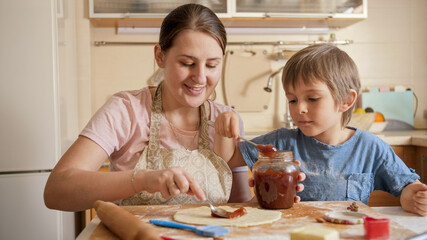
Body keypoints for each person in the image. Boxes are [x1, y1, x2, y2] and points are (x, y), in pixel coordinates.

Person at [44, 3, 252, 212]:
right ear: (160, 56)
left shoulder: (225, 120)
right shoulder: (126, 110)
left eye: (211, 65)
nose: (200, 77)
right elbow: (56, 191)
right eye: (187, 63)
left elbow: (240, 206)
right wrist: (141, 179)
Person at [214, 44, 427, 216]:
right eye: (292, 100)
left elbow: (407, 186)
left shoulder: (370, 147)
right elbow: (227, 159)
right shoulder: (281, 143)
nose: (300, 108)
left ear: (346, 100)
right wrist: (223, 125)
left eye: (312, 98)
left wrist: (414, 198)